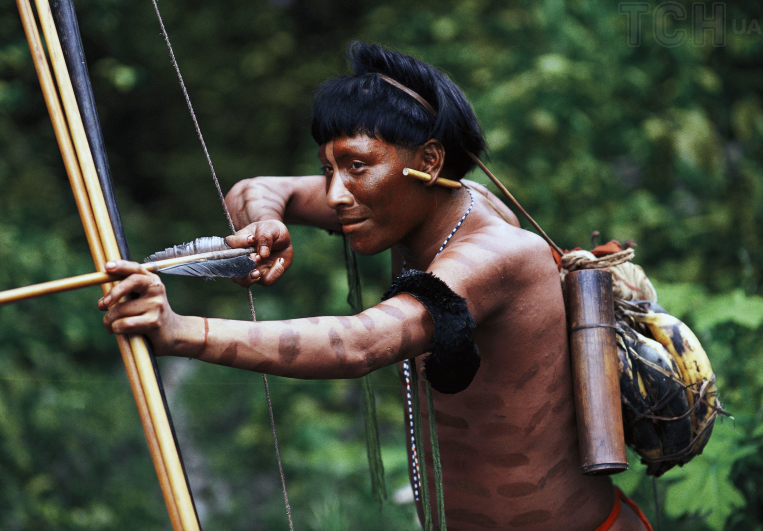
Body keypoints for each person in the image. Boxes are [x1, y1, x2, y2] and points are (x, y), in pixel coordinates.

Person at [98, 42, 651, 530]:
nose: (336, 194)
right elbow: (259, 187)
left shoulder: (495, 254)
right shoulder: (409, 205)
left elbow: (361, 344)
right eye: (328, 168)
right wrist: (265, 223)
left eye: (357, 166)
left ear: (429, 162)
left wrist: (179, 331)